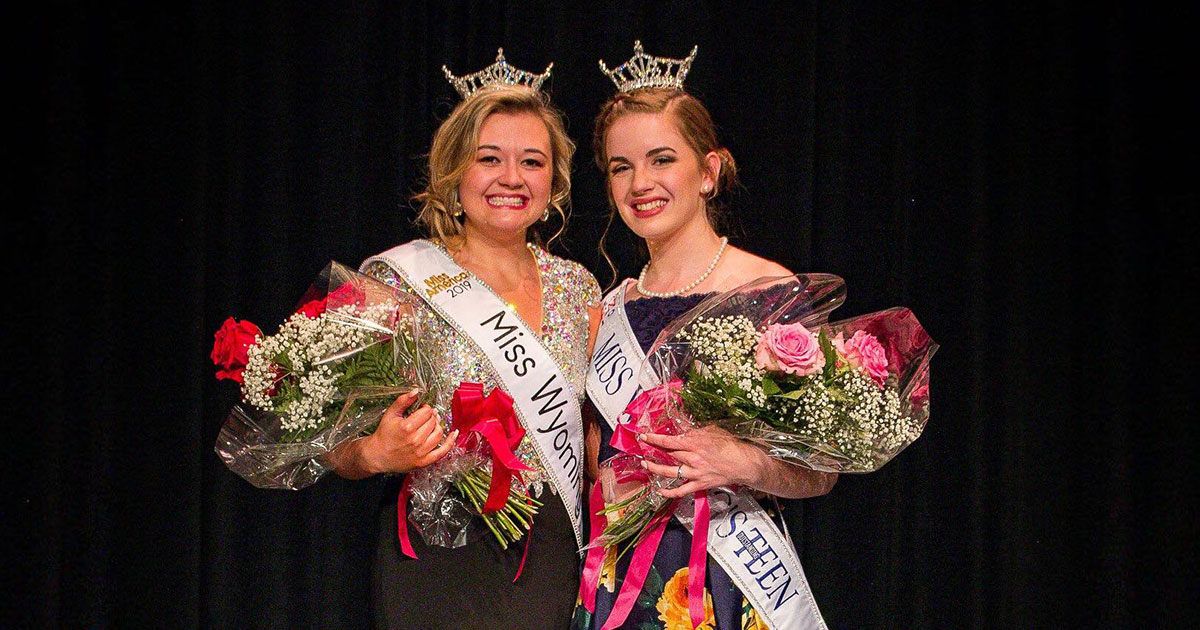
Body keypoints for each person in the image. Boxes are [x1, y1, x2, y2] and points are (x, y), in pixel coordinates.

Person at [328, 52, 602, 630]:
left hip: (551, 548)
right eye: (489, 159)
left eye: (532, 161)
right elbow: (332, 439)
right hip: (439, 545)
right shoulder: (399, 281)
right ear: (454, 174)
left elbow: (592, 435)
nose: (511, 178)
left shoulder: (579, 289)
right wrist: (377, 453)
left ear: (554, 181)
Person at [575, 43, 837, 630]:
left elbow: (821, 469)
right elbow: (597, 458)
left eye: (662, 159)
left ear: (709, 171)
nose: (640, 182)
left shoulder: (771, 290)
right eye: (621, 166)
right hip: (622, 579)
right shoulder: (608, 308)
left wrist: (740, 460)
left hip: (731, 576)